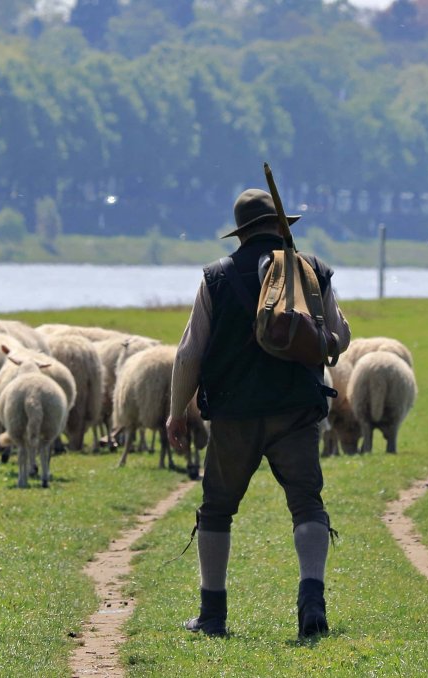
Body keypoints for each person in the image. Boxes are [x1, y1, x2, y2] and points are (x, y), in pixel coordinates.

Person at [166, 188, 350, 639]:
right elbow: (340, 337)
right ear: (282, 224)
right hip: (297, 411)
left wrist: (176, 413)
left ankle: (213, 615)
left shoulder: (217, 278)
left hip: (234, 414)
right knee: (307, 503)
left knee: (216, 510)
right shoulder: (311, 270)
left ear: (242, 232)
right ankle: (312, 601)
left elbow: (189, 354)